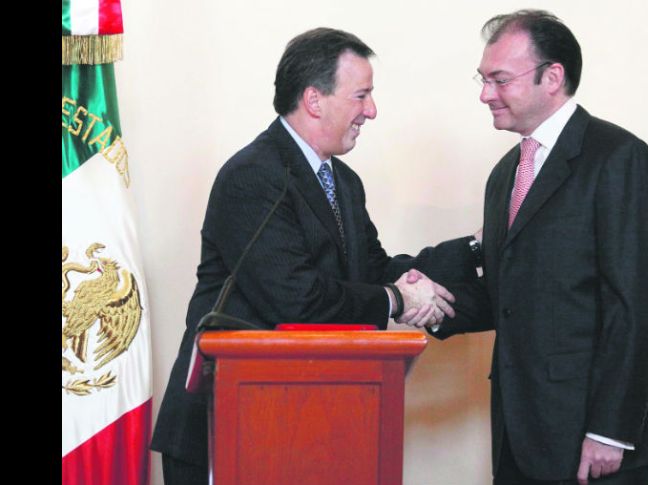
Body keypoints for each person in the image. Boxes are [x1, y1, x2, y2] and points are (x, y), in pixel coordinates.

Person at [150, 27, 479, 485]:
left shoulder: (343, 181)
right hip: (231, 423)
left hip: (313, 424)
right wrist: (396, 301)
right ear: (314, 99)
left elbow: (376, 271)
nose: (372, 110)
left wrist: (475, 251)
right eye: (361, 95)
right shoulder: (254, 175)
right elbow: (296, 298)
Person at [423, 10, 648, 485]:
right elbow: (507, 297)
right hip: (517, 431)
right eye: (482, 79)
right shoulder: (504, 175)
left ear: (552, 76)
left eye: (499, 79)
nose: (484, 94)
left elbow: (634, 303)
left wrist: (610, 431)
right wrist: (432, 305)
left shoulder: (618, 157)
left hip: (590, 438)